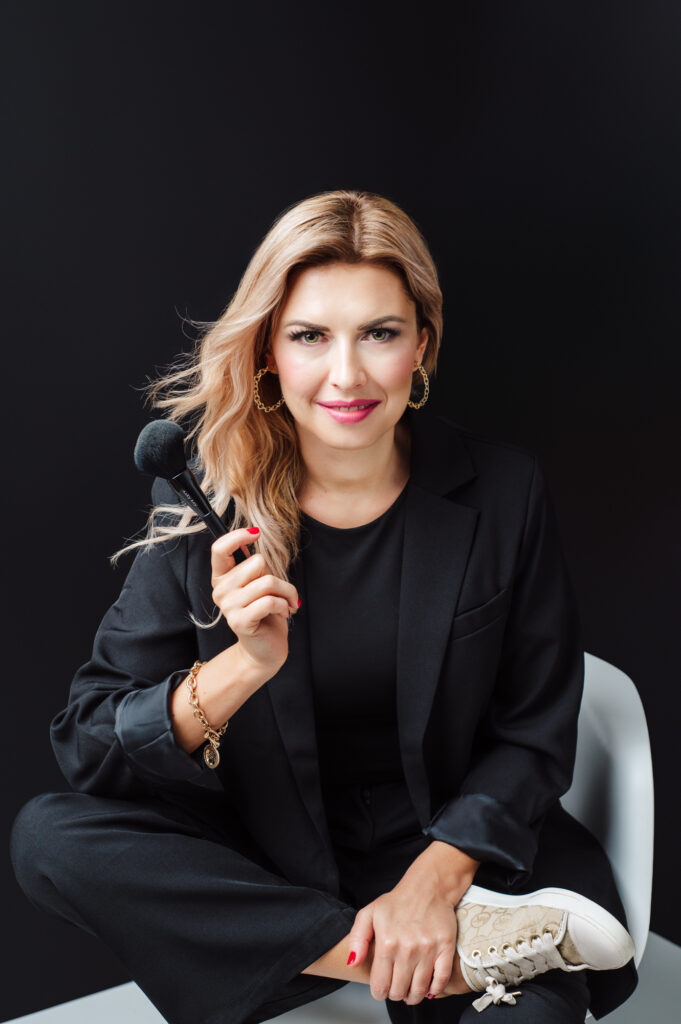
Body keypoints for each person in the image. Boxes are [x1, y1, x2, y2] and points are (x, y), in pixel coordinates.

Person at [9, 190, 638, 1024]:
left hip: (466, 866)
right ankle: (399, 959)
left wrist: (432, 884)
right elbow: (88, 746)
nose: (346, 374)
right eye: (310, 336)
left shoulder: (504, 491)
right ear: (269, 351)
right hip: (271, 870)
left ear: (422, 344)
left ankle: (464, 938)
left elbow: (533, 734)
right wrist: (243, 665)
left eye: (379, 333)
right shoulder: (205, 504)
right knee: (46, 837)